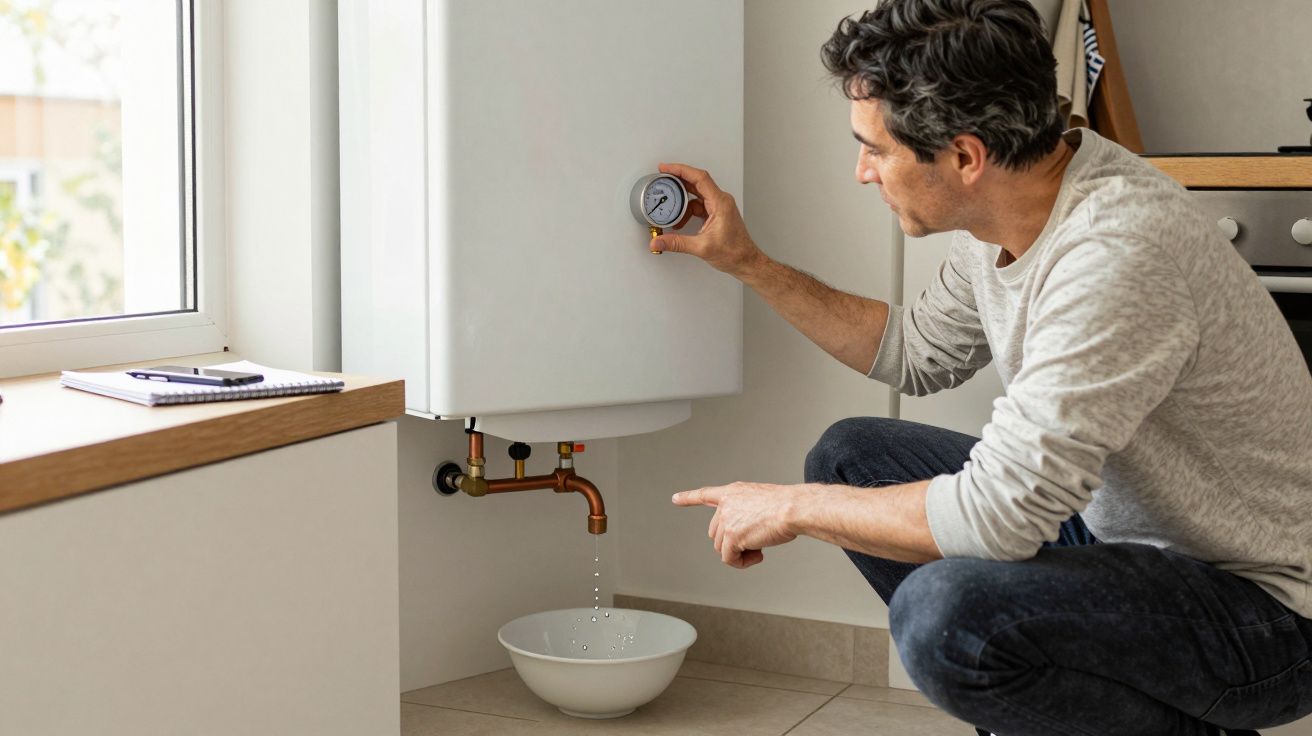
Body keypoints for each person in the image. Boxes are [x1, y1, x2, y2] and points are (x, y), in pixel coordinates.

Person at [661, 0, 1312, 734]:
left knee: (945, 619)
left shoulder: (1115, 253)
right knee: (849, 457)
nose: (861, 171)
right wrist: (745, 261)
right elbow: (914, 352)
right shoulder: (1015, 200)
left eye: (876, 149)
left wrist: (789, 507)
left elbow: (1000, 517)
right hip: (1125, 539)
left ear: (966, 157)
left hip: (1262, 612)